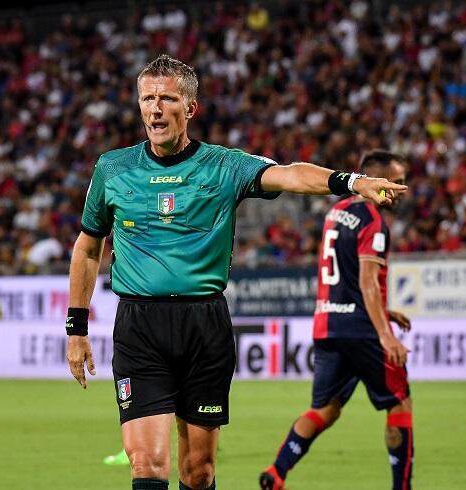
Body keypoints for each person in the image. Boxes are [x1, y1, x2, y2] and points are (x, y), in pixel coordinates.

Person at [65, 55, 406, 490]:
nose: (154, 108)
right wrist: (76, 328)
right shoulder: (112, 169)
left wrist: (353, 182)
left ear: (189, 109)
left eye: (167, 98)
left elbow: (291, 176)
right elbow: (88, 247)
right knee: (147, 463)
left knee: (199, 470)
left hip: (204, 326)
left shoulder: (225, 166)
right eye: (147, 98)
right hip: (140, 327)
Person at [258, 150, 414, 490]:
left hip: (328, 325)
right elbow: (367, 282)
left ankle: (276, 472)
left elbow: (342, 277)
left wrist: (384, 311)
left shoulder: (337, 212)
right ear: (376, 179)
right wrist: (385, 334)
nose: (401, 190)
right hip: (362, 330)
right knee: (399, 399)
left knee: (325, 409)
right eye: (396, 182)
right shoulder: (374, 221)